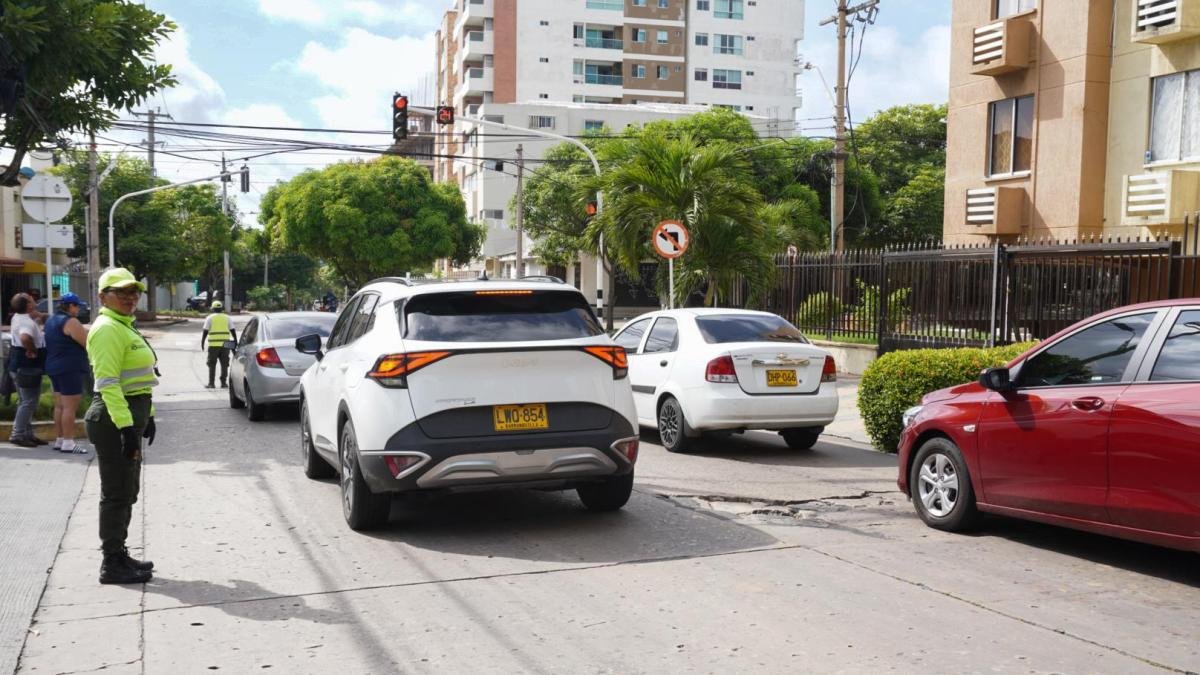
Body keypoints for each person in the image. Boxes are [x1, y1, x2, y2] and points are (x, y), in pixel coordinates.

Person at [86, 268, 158, 585]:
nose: (130, 298)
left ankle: (119, 552)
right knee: (117, 492)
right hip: (114, 418)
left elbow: (140, 381)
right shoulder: (107, 329)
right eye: (122, 292)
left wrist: (149, 415)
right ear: (103, 297)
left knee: (128, 490)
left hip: (129, 414)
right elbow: (108, 384)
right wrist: (126, 428)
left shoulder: (124, 325)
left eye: (134, 292)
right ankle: (111, 563)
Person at [45, 293, 90, 454]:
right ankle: (69, 443)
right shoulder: (71, 321)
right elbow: (87, 343)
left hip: (54, 366)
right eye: (77, 306)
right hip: (70, 368)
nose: (78, 310)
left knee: (60, 406)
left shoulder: (51, 320)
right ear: (70, 306)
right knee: (70, 407)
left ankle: (60, 439)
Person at [8, 293, 46, 447]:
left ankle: (27, 434)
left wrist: (38, 317)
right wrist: (32, 350)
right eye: (31, 300)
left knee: (24, 401)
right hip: (27, 366)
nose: (34, 300)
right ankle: (17, 434)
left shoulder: (17, 317)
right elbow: (25, 338)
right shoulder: (26, 323)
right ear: (28, 305)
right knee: (29, 401)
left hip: (17, 364)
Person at [201, 300, 236, 389]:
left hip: (213, 344)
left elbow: (205, 331)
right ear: (221, 308)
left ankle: (211, 383)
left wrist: (202, 342)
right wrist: (235, 341)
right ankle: (223, 383)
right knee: (225, 364)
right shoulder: (227, 318)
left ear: (213, 309)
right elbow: (233, 330)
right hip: (226, 344)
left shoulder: (210, 318)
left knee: (212, 364)